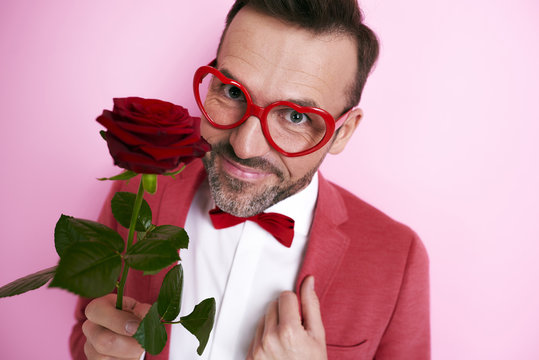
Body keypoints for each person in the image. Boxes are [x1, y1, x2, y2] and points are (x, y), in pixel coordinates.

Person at [70, 0, 430, 359]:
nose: (244, 146)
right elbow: (87, 331)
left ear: (343, 132)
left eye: (295, 116)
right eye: (232, 92)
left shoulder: (398, 259)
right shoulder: (140, 186)